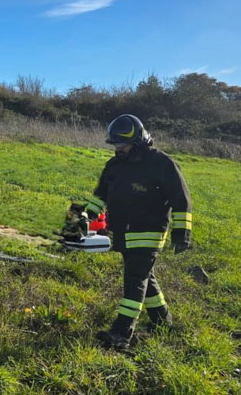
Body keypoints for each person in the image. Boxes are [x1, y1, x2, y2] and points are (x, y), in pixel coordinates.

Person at [80, 114, 192, 349]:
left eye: (123, 144)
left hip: (149, 234)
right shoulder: (114, 166)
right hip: (122, 233)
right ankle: (162, 320)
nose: (119, 148)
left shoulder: (161, 163)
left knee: (135, 280)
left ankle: (121, 333)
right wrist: (85, 217)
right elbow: (101, 196)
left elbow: (181, 199)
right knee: (145, 278)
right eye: (116, 144)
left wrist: (182, 233)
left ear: (139, 140)